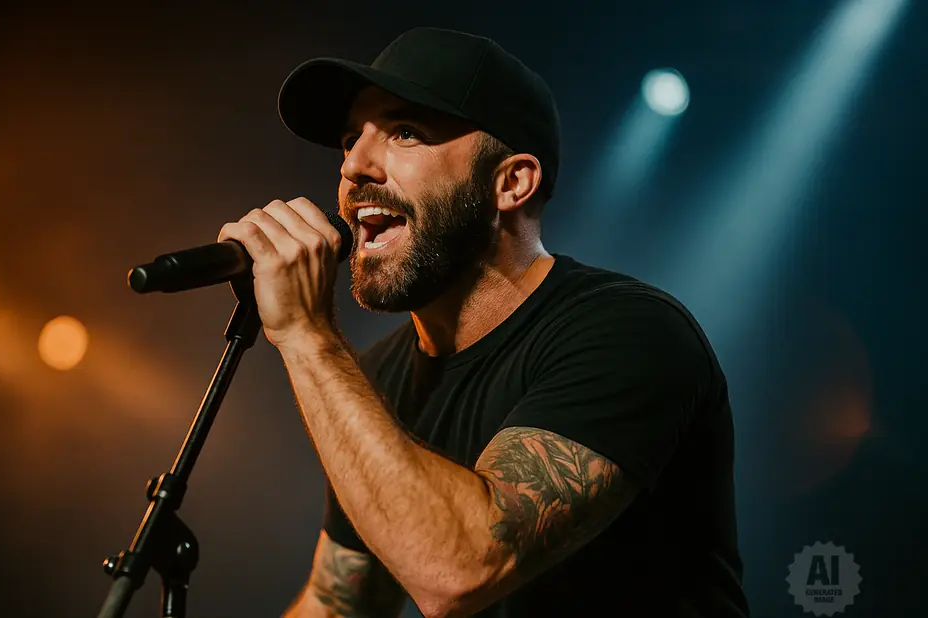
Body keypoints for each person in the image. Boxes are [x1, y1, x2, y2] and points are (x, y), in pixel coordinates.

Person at [218, 27, 750, 617]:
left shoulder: (630, 333)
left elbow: (461, 567)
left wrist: (305, 335)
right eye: (349, 140)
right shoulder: (379, 376)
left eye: (404, 132)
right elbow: (337, 601)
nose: (355, 167)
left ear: (511, 182)